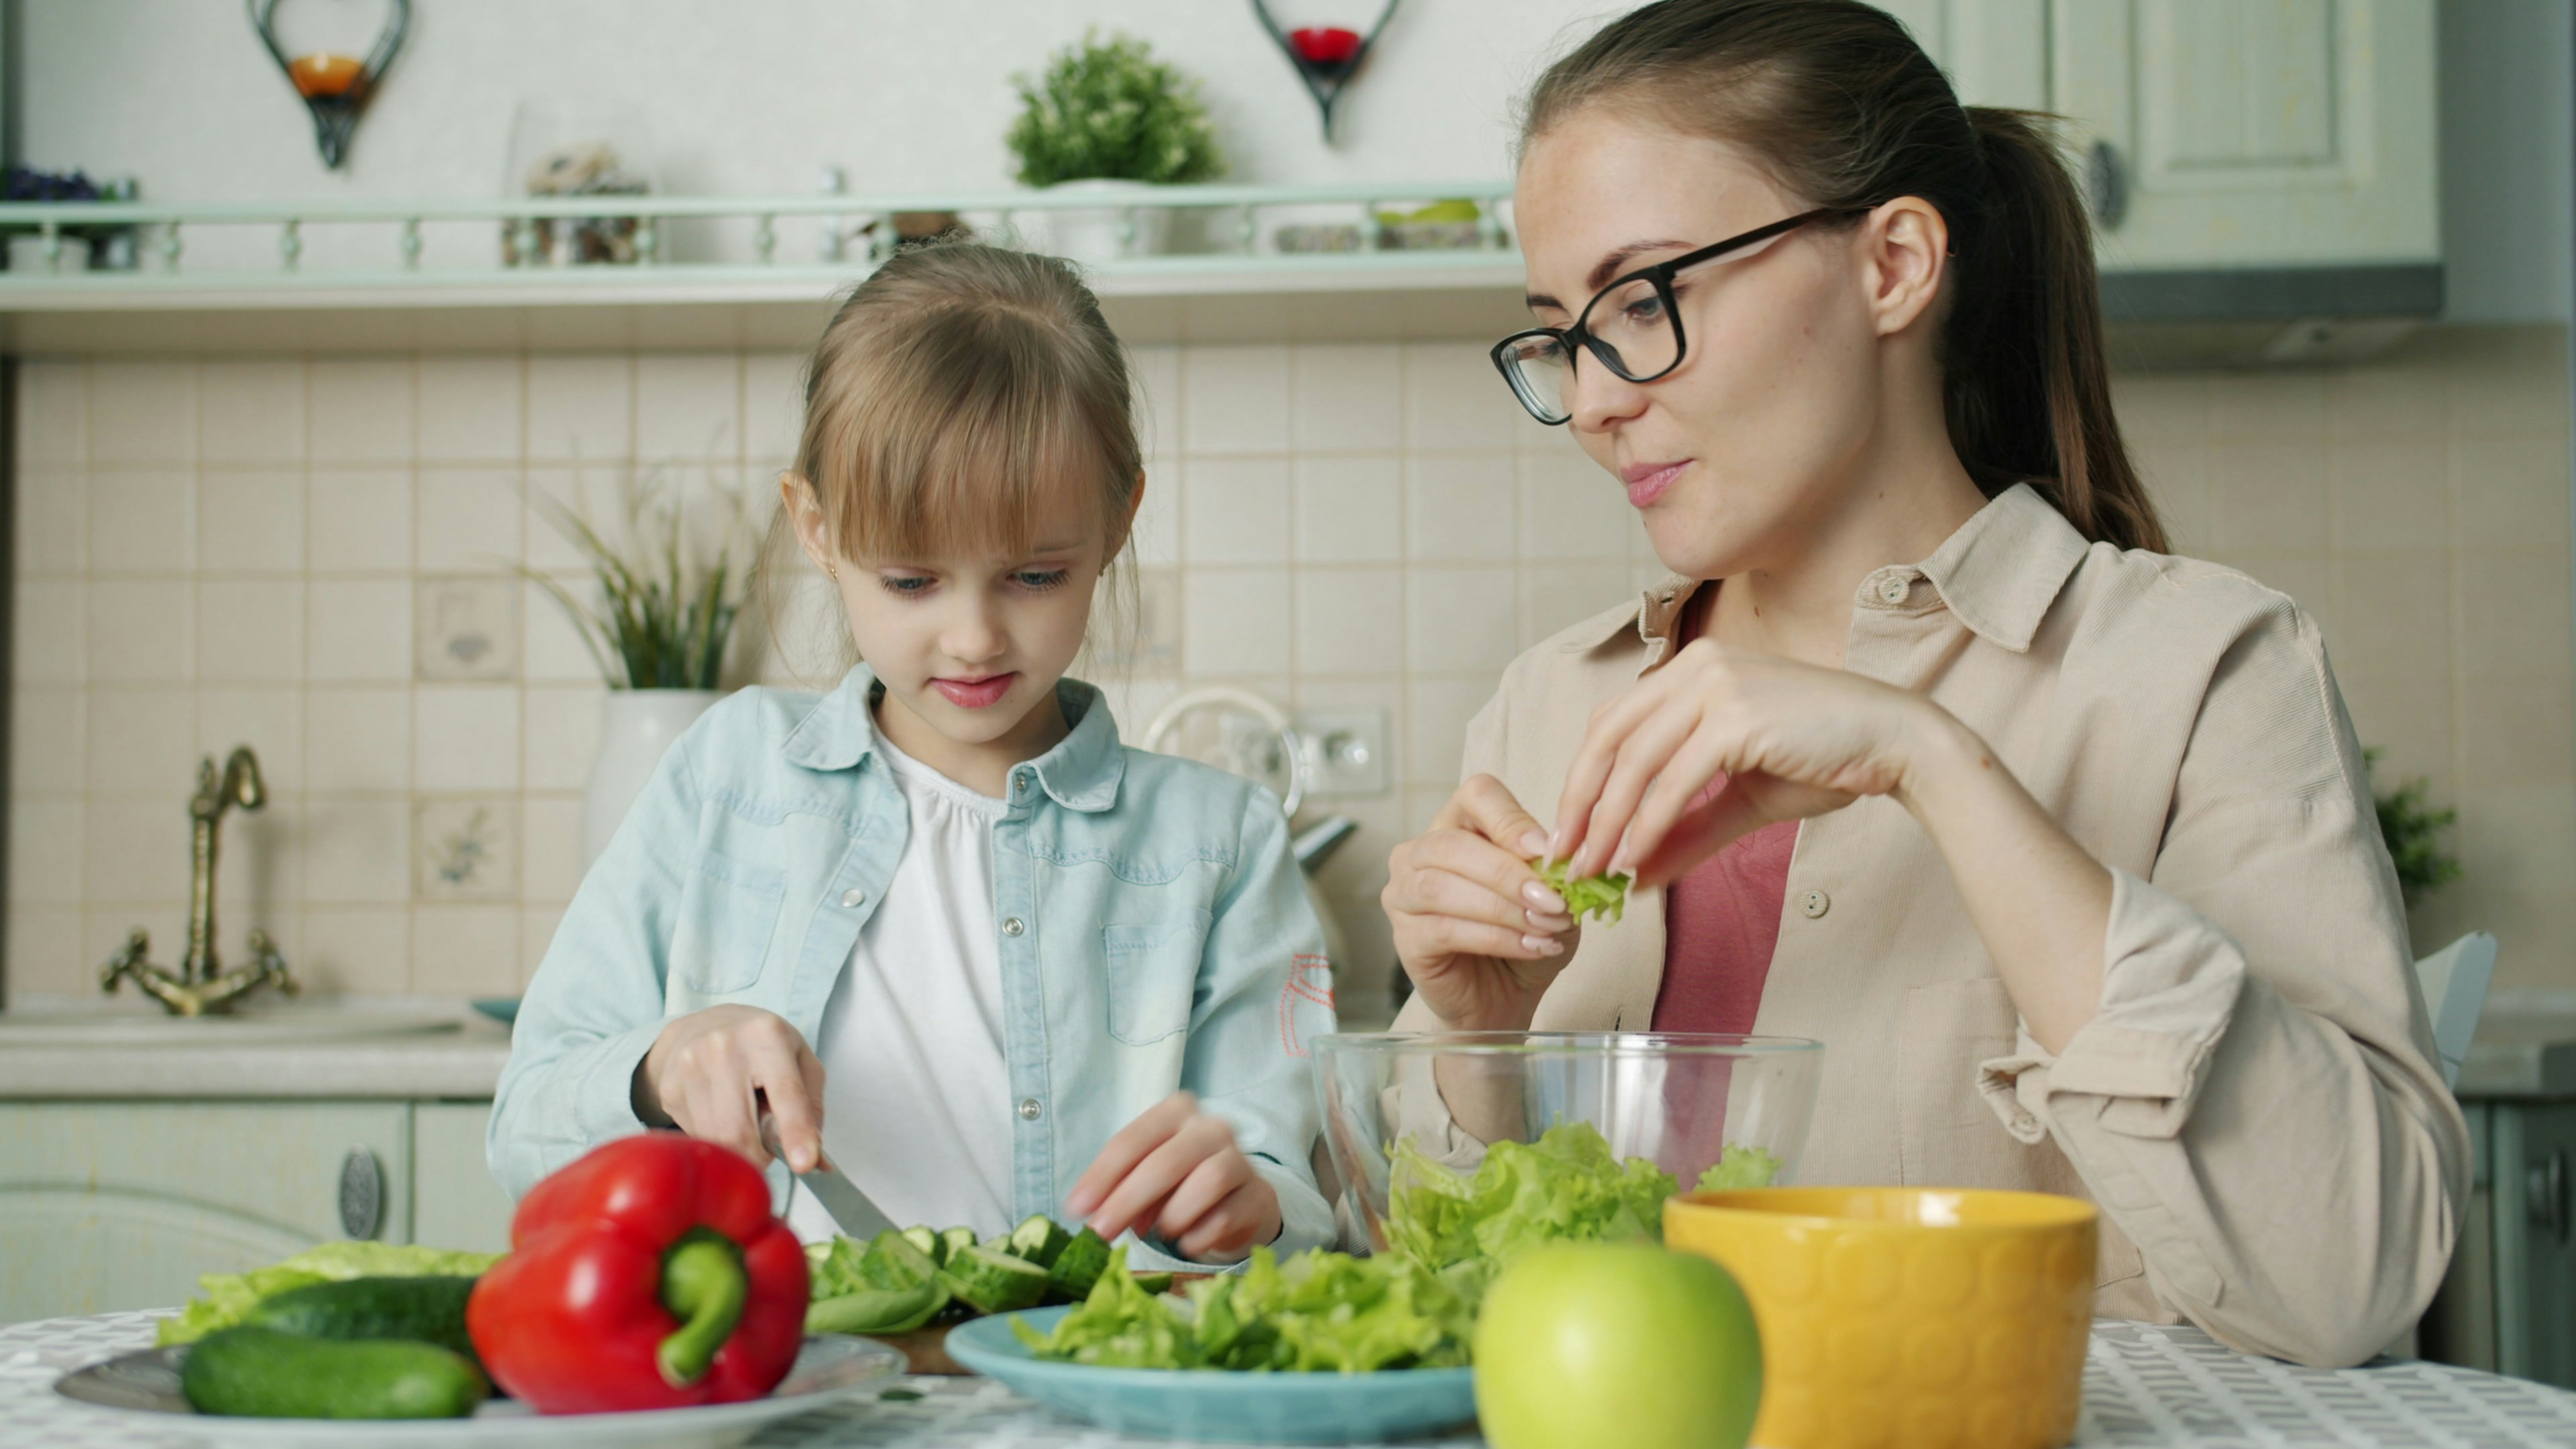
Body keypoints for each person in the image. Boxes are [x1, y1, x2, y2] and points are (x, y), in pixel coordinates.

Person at [1381, 0, 2466, 1366]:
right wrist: (1481, 1040)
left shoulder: (2208, 672)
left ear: (1894, 265)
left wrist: (1935, 763)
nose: (1594, 398)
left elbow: (2349, 1284)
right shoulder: (1547, 704)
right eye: (1561, 332)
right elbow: (1434, 1315)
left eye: (1643, 301)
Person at [490, 241, 1336, 1267]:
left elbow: (1295, 1187)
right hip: (785, 1382)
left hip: (1082, 1402)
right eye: (910, 581)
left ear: (1118, 523)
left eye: (1033, 576)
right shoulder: (726, 777)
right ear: (815, 526)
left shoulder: (1220, 843)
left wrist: (1249, 1204)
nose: (974, 636)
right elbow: (525, 1128)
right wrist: (659, 1067)